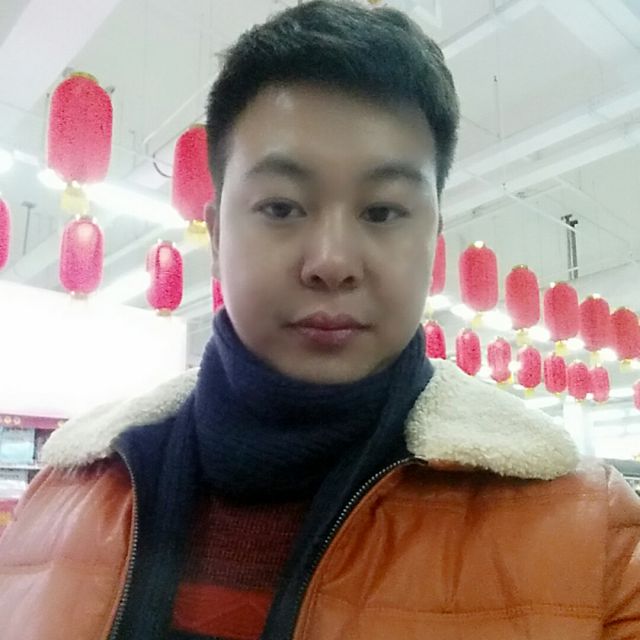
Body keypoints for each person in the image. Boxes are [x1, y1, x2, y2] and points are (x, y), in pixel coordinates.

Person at [0, 1, 638, 639]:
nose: (332, 262)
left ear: (433, 239)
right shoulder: (62, 495)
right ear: (217, 234)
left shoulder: (593, 543)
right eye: (281, 207)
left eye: (382, 212)